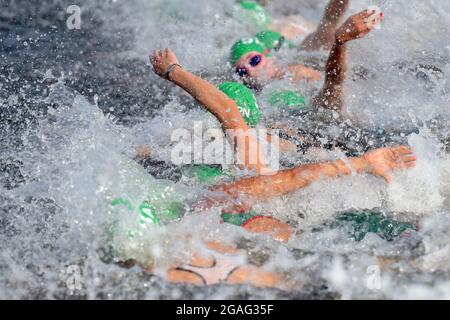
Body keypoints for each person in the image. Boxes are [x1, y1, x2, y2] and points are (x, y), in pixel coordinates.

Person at [232, 8, 384, 113]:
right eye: (241, 71)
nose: (250, 71)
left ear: (269, 55)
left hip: (355, 91)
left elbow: (330, 19)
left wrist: (340, 41)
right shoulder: (261, 100)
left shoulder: (303, 54)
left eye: (254, 60)